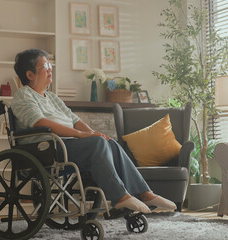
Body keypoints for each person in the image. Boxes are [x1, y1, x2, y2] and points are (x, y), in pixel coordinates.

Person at [11, 48, 176, 213]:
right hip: (45, 148)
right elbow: (39, 122)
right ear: (30, 75)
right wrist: (81, 135)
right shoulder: (24, 95)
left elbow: (75, 120)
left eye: (49, 64)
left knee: (108, 142)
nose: (49, 68)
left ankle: (145, 193)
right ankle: (120, 197)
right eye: (44, 66)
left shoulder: (52, 97)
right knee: (97, 143)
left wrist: (93, 133)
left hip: (65, 145)